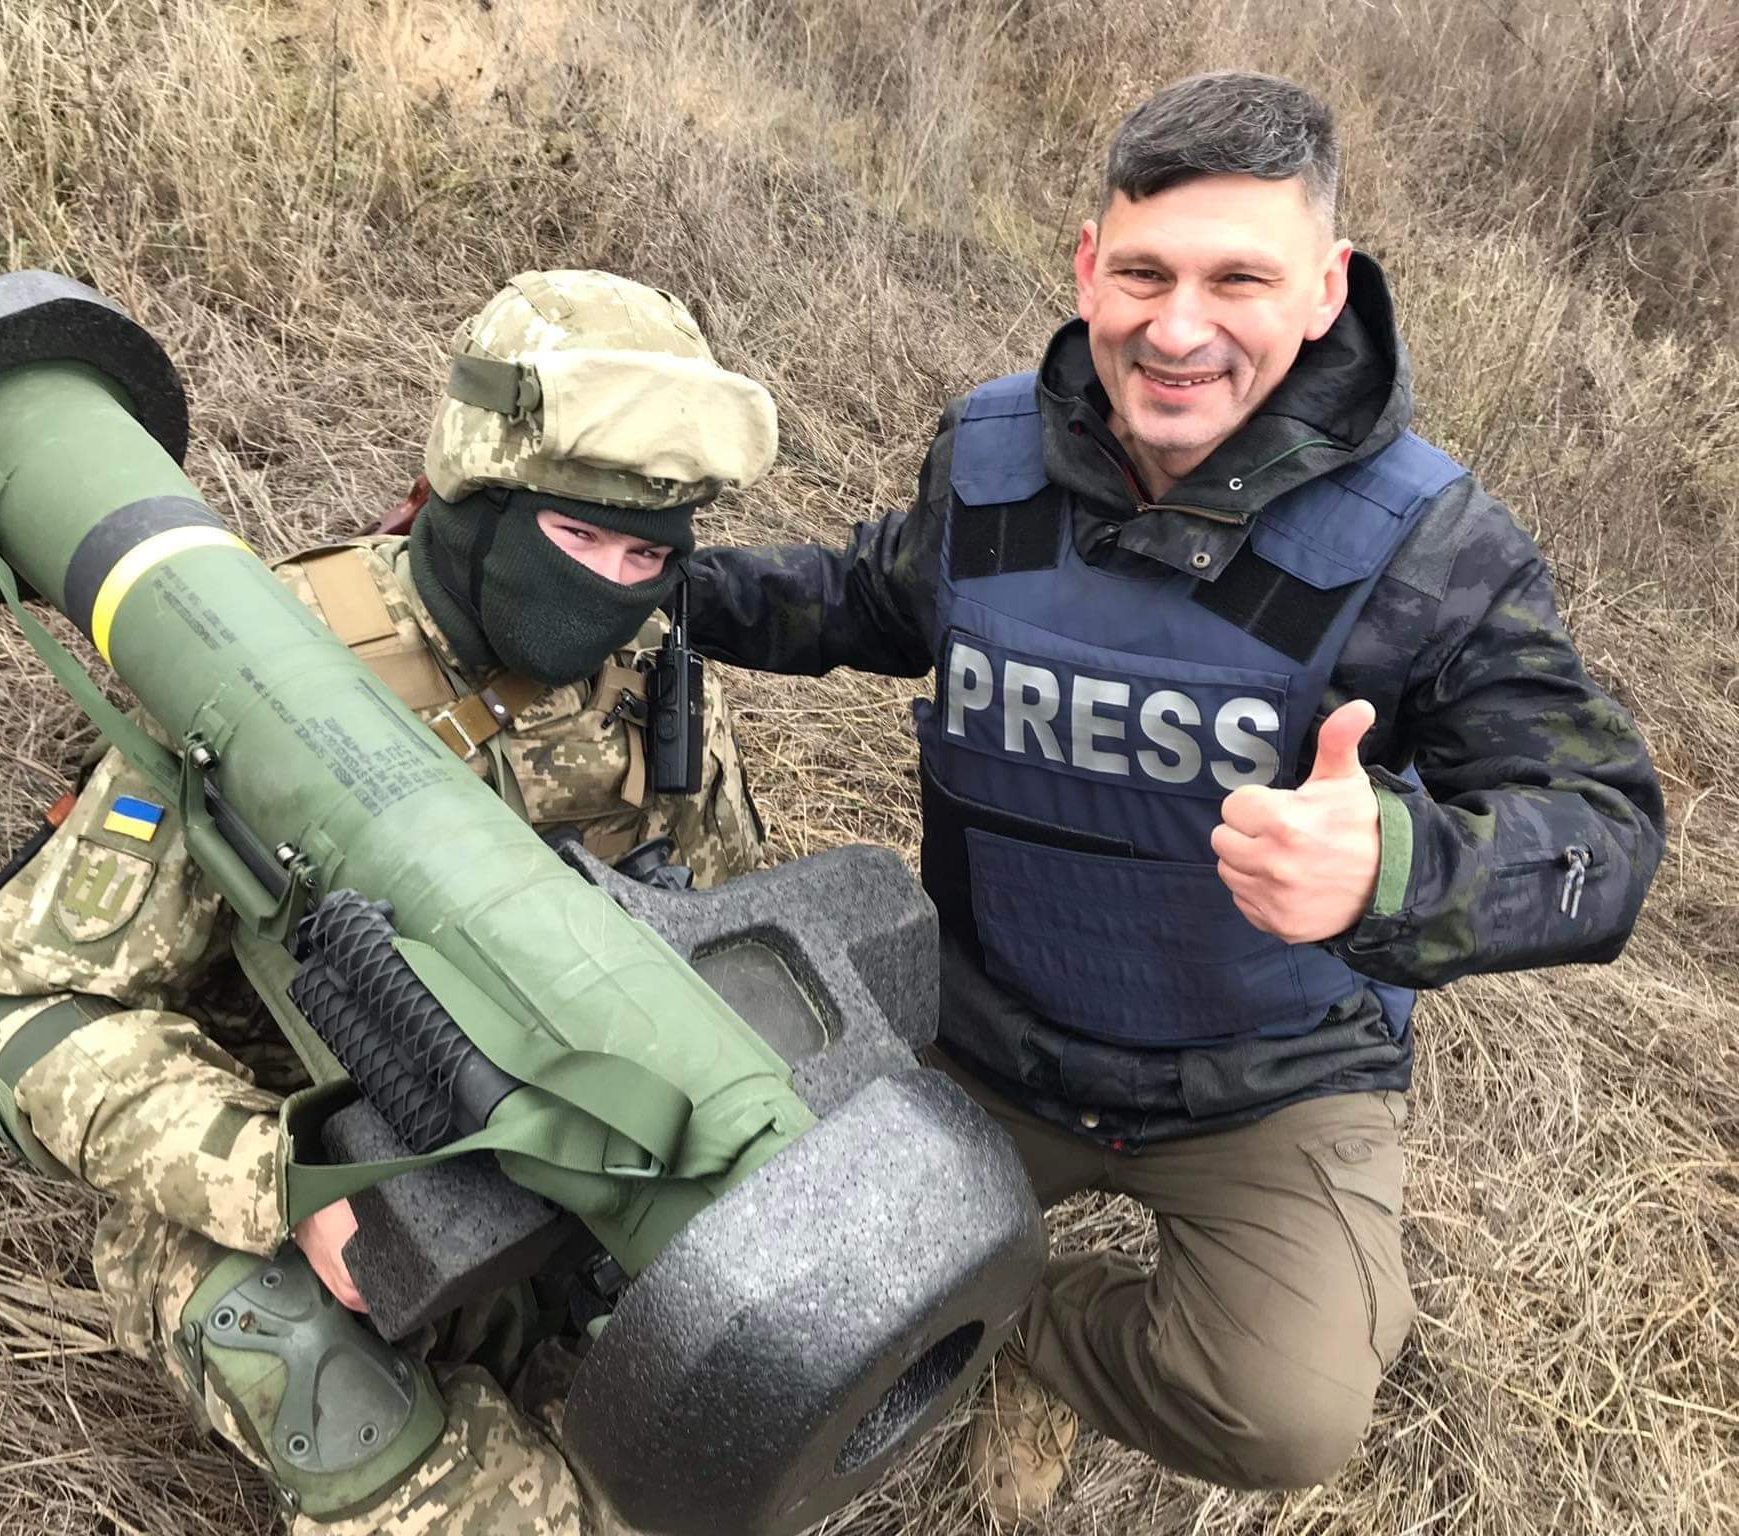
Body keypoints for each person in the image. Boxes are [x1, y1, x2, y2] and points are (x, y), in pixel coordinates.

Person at [684, 72, 1665, 1513]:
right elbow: (871, 599)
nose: (1178, 328)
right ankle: (966, 1277)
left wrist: (1393, 867)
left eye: (1237, 280)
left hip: (1261, 1082)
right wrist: (661, 588)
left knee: (1283, 1410)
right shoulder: (990, 456)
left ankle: (1022, 1325)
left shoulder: (1431, 545)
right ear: (1088, 265)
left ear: (1324, 289)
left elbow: (1607, 835)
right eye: (1144, 273)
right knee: (755, 1284)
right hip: (986, 1035)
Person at [0, 269, 778, 1534]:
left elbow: (722, 929)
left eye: (647, 555)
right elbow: (33, 1012)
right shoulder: (261, 670)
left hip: (559, 1165)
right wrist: (285, 1183)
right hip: (298, 1178)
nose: (611, 588)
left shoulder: (649, 679)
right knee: (360, 1416)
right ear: (477, 498)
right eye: (576, 541)